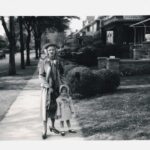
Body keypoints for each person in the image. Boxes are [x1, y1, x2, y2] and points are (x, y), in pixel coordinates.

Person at [38, 43, 64, 139]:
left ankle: (52, 126)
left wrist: (62, 84)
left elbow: (62, 73)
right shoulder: (43, 62)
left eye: (53, 49)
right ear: (47, 52)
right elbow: (41, 76)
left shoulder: (58, 61)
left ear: (55, 51)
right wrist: (48, 86)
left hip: (56, 88)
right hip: (47, 90)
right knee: (46, 108)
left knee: (54, 108)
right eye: (49, 50)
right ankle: (44, 130)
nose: (52, 51)